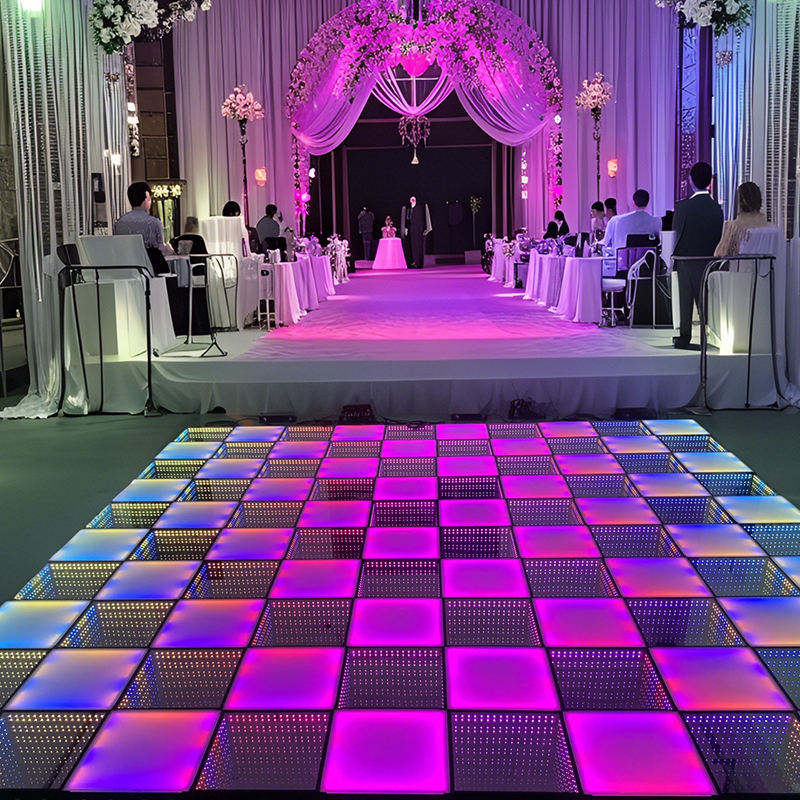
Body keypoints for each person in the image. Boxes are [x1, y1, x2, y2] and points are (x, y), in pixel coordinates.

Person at [672, 161, 724, 349]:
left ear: (691, 180)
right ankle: (707, 334)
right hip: (709, 260)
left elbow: (677, 234)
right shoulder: (717, 208)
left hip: (686, 260)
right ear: (710, 181)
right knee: (705, 299)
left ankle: (685, 336)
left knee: (685, 299)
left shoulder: (683, 207)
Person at [114, 181, 174, 257]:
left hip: (125, 262)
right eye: (149, 199)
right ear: (147, 198)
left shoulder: (119, 223)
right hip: (148, 263)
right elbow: (160, 250)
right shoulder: (154, 222)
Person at [714, 182, 770, 257]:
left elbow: (719, 254)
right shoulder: (772, 229)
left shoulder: (732, 227)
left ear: (739, 203)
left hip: (739, 264)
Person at [603, 189, 661, 258]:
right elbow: (658, 243)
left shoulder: (619, 221)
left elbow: (615, 247)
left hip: (625, 261)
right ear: (648, 202)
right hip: (649, 260)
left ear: (633, 203)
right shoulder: (656, 221)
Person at [400, 196, 431, 268]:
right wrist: (405, 229)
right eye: (411, 198)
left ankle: (418, 262)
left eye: (414, 198)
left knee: (419, 246)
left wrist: (425, 229)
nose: (412, 200)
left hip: (419, 230)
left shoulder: (420, 207)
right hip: (411, 230)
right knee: (411, 246)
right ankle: (412, 262)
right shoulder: (408, 208)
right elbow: (406, 219)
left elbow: (424, 219)